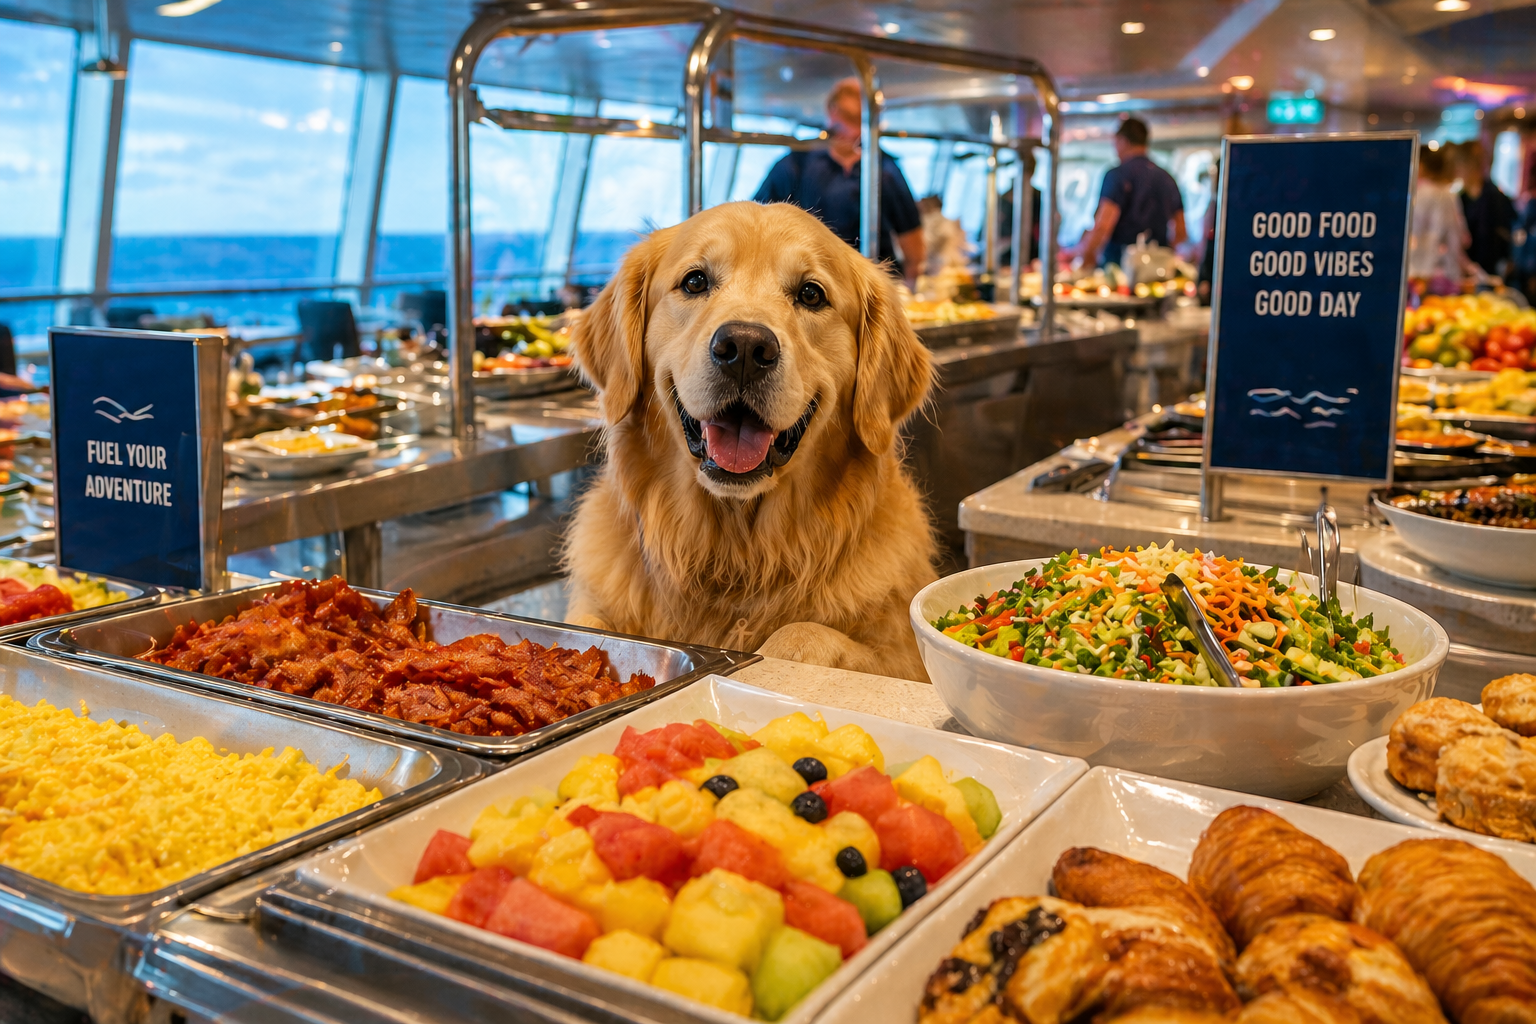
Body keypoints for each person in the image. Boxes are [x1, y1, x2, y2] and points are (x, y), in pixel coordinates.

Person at [754, 78, 925, 285]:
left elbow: (912, 242)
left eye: (862, 121)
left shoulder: (886, 170)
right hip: (809, 282)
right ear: (831, 111)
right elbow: (757, 224)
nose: (854, 131)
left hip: (876, 285)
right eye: (849, 118)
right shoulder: (795, 165)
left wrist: (913, 290)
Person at [1071, 117, 1186, 268]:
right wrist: (1159, 254)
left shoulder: (1117, 175)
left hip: (1120, 270)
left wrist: (1086, 261)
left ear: (1122, 141)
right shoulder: (1167, 178)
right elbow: (1181, 232)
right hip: (1157, 272)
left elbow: (1103, 225)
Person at [1409, 145, 1472, 292]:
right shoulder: (1449, 194)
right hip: (1447, 271)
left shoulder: (1421, 194)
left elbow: (1414, 232)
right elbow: (1459, 236)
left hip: (1420, 271)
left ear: (1422, 166)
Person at [1454, 139, 1516, 277]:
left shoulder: (1497, 198)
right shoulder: (1459, 198)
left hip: (1491, 274)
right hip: (1466, 273)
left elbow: (1507, 237)